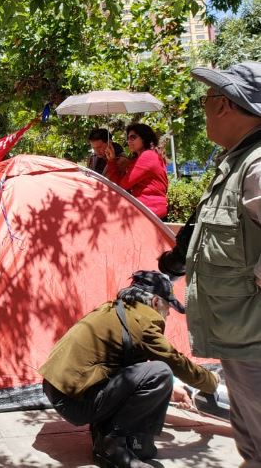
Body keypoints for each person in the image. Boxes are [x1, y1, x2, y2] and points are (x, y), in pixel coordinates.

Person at [39, 271, 218, 468]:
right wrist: (212, 383)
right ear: (156, 302)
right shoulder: (144, 320)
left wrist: (171, 390)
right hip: (74, 402)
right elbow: (176, 362)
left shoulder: (115, 310)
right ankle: (112, 447)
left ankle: (106, 436)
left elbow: (127, 369)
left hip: (60, 392)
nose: (168, 313)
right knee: (160, 372)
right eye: (168, 307)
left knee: (148, 377)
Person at [185, 61, 261, 468]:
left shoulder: (257, 165)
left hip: (254, 339)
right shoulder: (238, 162)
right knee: (251, 444)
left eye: (208, 98)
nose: (204, 107)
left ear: (226, 106)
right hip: (241, 335)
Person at [105, 123, 169, 219]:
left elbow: (120, 186)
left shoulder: (147, 156)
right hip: (150, 210)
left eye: (133, 137)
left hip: (149, 211)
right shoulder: (150, 155)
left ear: (144, 138)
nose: (129, 141)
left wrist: (111, 161)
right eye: (128, 138)